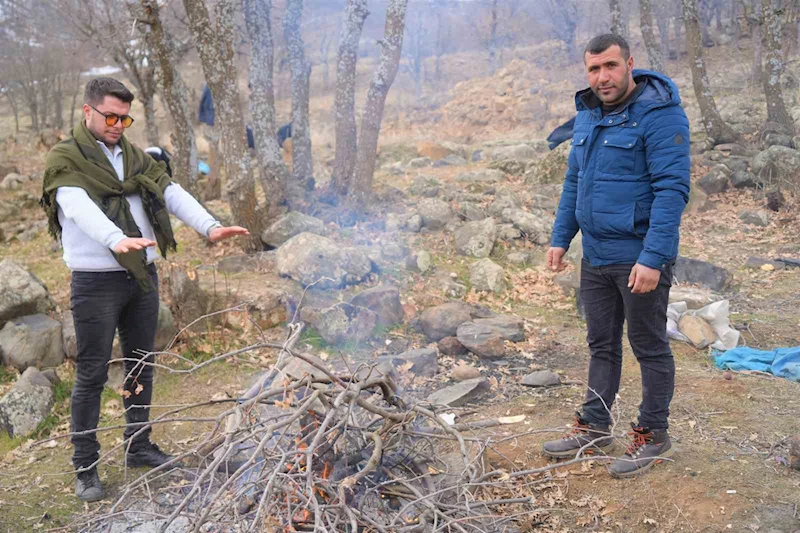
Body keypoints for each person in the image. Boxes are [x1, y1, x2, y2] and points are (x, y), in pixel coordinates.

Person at [41, 77, 250, 502]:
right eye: (111, 116)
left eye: (125, 118)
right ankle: (86, 466)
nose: (118, 124)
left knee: (140, 364)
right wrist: (115, 239)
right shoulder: (66, 158)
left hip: (140, 275)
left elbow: (170, 191)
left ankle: (138, 446)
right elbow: (76, 206)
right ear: (88, 111)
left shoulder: (135, 157)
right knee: (92, 373)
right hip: (95, 280)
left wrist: (209, 227)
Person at [542, 34, 690, 478]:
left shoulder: (661, 115)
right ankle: (594, 426)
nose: (602, 77)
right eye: (593, 69)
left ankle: (654, 434)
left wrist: (653, 257)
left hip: (639, 257)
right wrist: (560, 237)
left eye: (609, 66)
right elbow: (575, 183)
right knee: (601, 345)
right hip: (597, 256)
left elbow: (672, 190)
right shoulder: (588, 114)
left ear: (629, 63)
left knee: (648, 346)